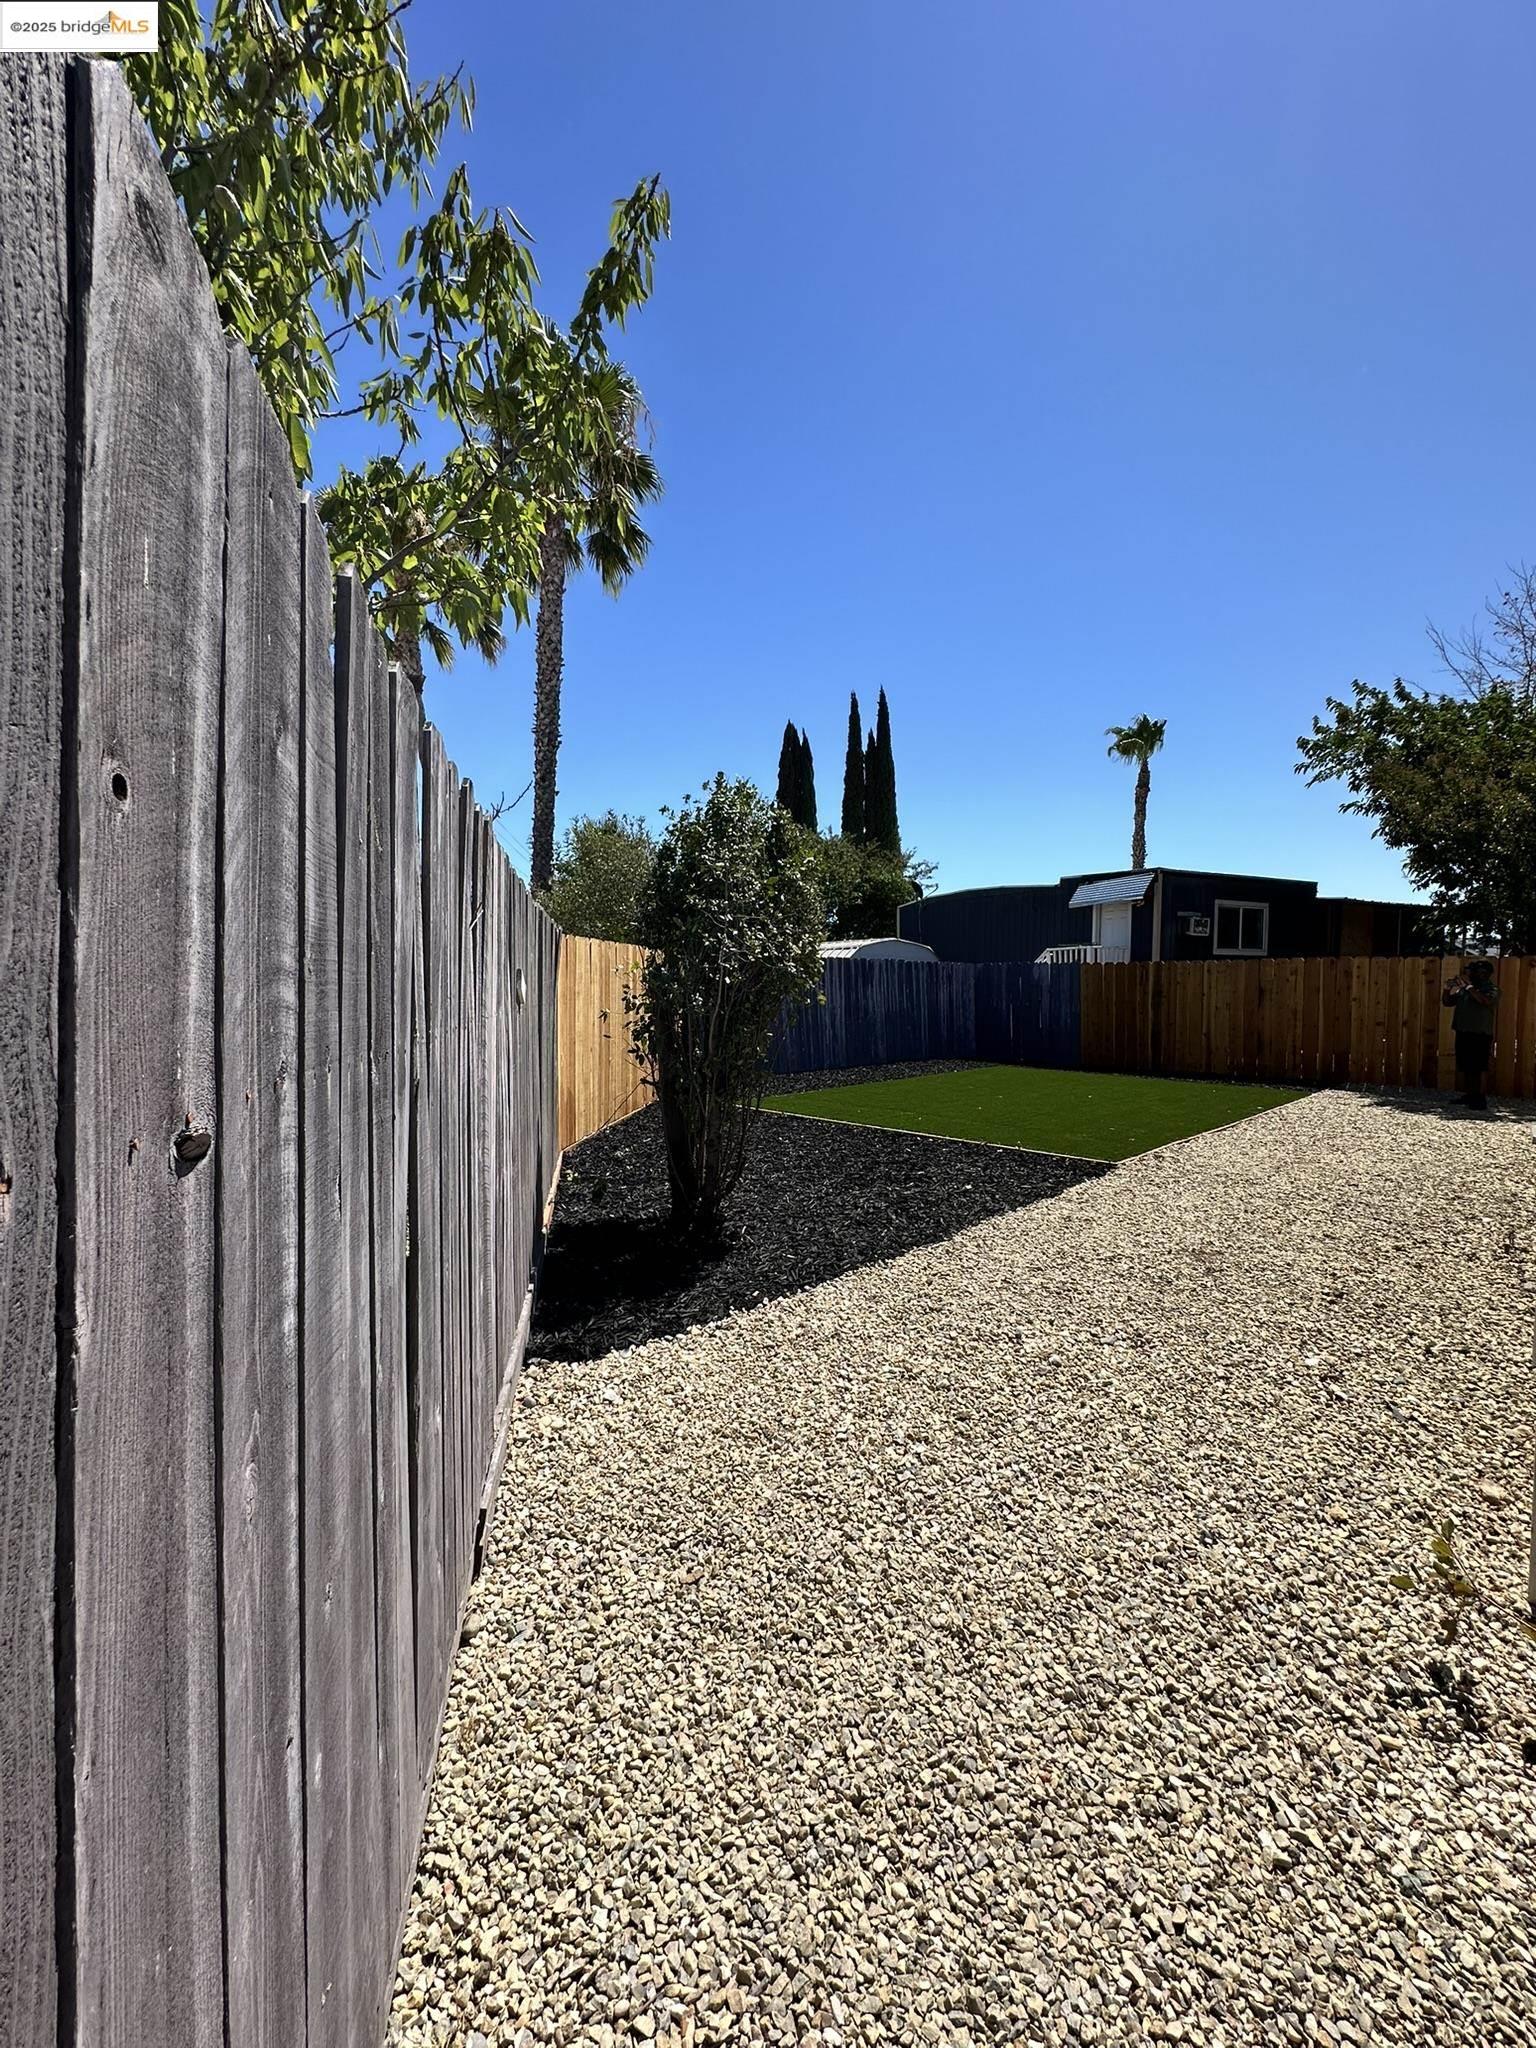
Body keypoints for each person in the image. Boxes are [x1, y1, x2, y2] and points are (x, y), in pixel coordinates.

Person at [1442, 958, 1500, 1111]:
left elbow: (1485, 1001)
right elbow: (1447, 1002)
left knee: (1478, 1067)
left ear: (1484, 973)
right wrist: (1447, 988)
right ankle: (1470, 1095)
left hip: (1480, 1034)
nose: (1471, 974)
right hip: (1463, 1031)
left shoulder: (1491, 989)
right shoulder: (1466, 990)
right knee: (1466, 1066)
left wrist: (1468, 987)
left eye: (1474, 971)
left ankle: (1480, 1099)